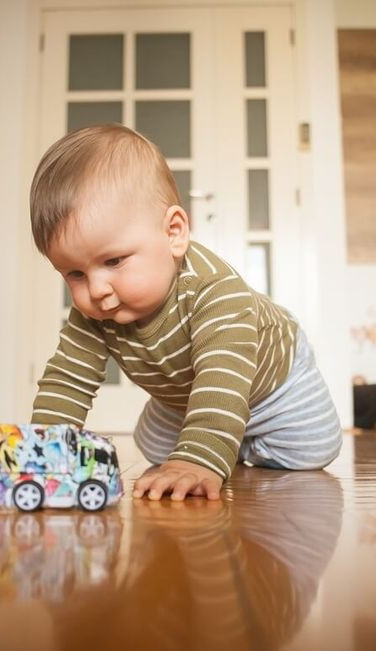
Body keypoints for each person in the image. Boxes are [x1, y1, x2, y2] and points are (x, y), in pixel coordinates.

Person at [29, 124, 341, 501]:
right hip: (188, 392)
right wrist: (44, 449)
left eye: (113, 261)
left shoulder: (216, 293)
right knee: (154, 447)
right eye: (75, 274)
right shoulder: (96, 312)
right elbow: (68, 378)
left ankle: (235, 441)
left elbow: (222, 376)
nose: (96, 290)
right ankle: (222, 438)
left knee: (315, 448)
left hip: (270, 380)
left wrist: (199, 459)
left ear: (173, 233)